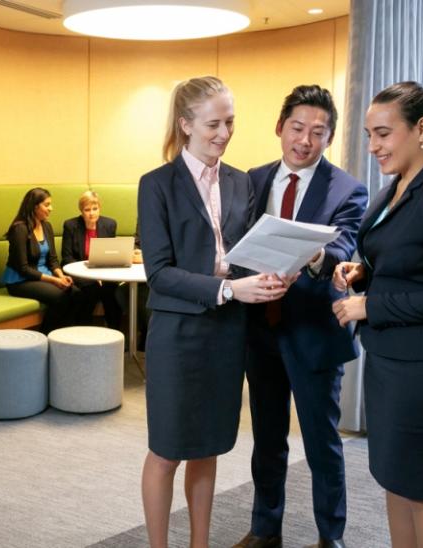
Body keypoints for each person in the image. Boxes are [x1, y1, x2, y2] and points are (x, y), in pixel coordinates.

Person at [138, 76, 291, 548]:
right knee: (167, 452)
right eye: (213, 124)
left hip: (226, 336)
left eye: (230, 123)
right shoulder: (156, 185)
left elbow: (243, 254)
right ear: (185, 125)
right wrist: (229, 290)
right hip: (177, 335)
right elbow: (160, 273)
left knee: (208, 450)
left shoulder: (240, 180)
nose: (224, 134)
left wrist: (273, 272)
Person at [332, 81, 423, 548]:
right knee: (395, 480)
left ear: (421, 129)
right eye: (369, 135)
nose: (373, 146)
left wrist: (370, 304)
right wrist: (363, 273)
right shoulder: (396, 188)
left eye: (383, 134)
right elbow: (404, 261)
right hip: (390, 360)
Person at [235, 85, 368, 548]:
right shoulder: (251, 179)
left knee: (321, 443)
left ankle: (331, 537)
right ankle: (265, 528)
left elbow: (343, 245)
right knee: (267, 440)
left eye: (318, 132)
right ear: (279, 127)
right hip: (261, 328)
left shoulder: (348, 188)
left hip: (313, 329)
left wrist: (311, 260)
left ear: (329, 138)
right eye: (297, 128)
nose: (305, 140)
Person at [2, 187, 81, 334]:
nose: (51, 208)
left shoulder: (46, 226)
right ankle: (45, 336)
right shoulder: (19, 229)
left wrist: (61, 276)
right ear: (34, 206)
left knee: (75, 293)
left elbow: (53, 259)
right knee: (61, 297)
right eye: (47, 205)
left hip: (43, 276)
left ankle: (65, 337)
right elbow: (23, 268)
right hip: (20, 281)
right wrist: (54, 281)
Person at [61, 190, 122, 328]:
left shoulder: (110, 224)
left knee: (112, 292)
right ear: (81, 211)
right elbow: (67, 258)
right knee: (90, 292)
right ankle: (85, 334)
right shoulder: (70, 226)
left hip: (103, 274)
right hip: (80, 274)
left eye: (95, 209)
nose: (92, 213)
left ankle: (115, 335)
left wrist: (101, 275)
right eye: (87, 209)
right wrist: (91, 275)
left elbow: (111, 255)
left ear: (99, 208)